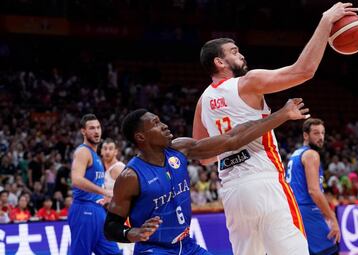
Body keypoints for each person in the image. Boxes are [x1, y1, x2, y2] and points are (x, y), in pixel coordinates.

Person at [192, 3, 358, 254]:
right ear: (219, 62)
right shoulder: (247, 82)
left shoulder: (202, 101)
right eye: (234, 52)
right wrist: (326, 21)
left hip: (232, 191)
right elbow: (304, 71)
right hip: (264, 180)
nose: (242, 56)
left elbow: (203, 157)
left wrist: (232, 147)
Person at [104, 98, 309, 254]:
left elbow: (232, 140)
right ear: (141, 137)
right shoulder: (131, 176)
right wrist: (132, 233)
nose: (165, 125)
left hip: (187, 245)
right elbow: (110, 227)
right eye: (156, 124)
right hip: (154, 249)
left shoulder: (180, 149)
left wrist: (282, 115)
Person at [287, 118, 340, 255]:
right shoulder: (311, 154)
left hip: (295, 212)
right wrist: (332, 217)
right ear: (306, 135)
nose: (321, 137)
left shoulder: (296, 154)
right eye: (316, 133)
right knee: (330, 249)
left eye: (323, 133)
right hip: (308, 211)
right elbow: (314, 191)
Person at [69, 114, 120, 255]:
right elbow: (76, 180)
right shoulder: (83, 152)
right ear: (83, 131)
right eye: (91, 128)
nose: (96, 131)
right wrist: (105, 192)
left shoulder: (96, 156)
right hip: (83, 210)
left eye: (98, 127)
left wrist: (104, 196)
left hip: (98, 210)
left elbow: (93, 183)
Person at [101, 138, 134, 255]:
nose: (107, 151)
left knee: (127, 249)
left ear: (116, 152)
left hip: (123, 216)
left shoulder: (117, 168)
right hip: (112, 215)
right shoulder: (106, 169)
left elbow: (131, 191)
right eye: (105, 148)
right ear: (101, 151)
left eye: (110, 149)